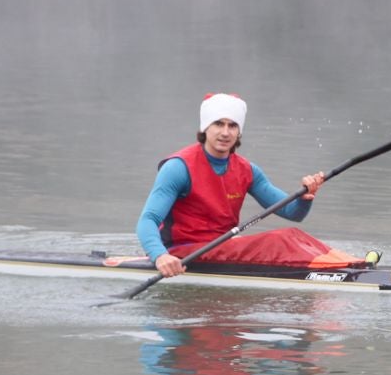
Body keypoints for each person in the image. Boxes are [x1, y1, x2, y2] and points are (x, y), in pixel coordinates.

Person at [137, 93, 358, 275]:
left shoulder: (247, 170)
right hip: (183, 252)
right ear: (205, 128)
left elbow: (292, 213)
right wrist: (160, 256)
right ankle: (337, 268)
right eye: (218, 124)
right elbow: (148, 219)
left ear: (239, 131)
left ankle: (350, 264)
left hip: (222, 248)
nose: (225, 132)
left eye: (232, 125)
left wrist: (305, 197)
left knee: (295, 234)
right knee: (281, 240)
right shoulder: (178, 168)